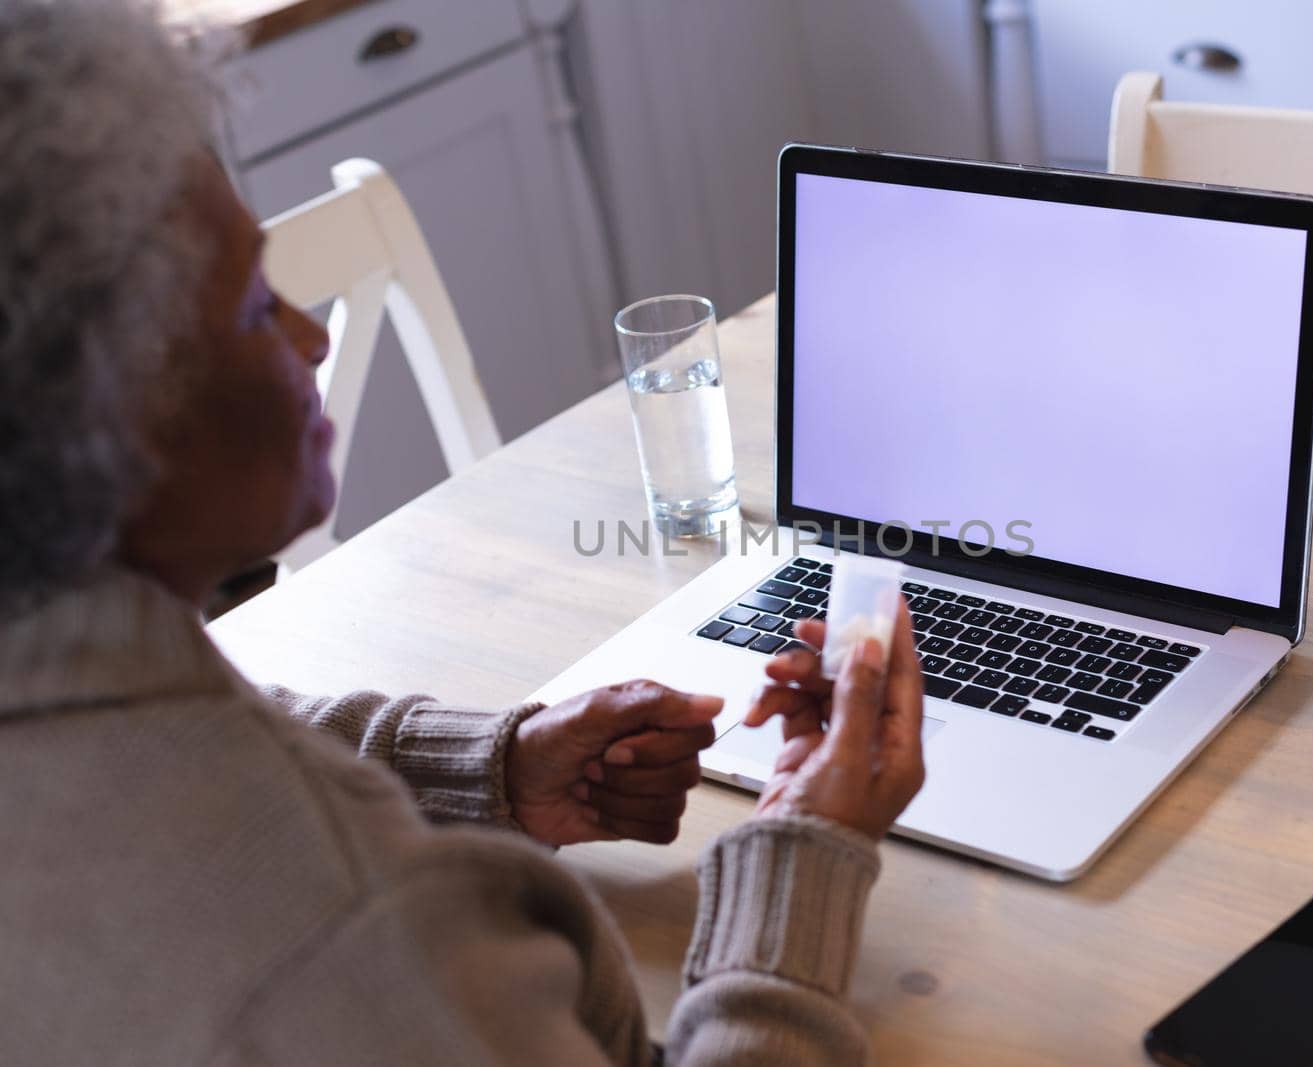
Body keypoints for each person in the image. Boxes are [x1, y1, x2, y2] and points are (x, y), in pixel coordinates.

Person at [0, 2, 926, 1064]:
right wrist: (799, 861)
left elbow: (175, 752)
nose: (309, 338)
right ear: (104, 407)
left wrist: (492, 764)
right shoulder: (359, 946)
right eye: (256, 307)